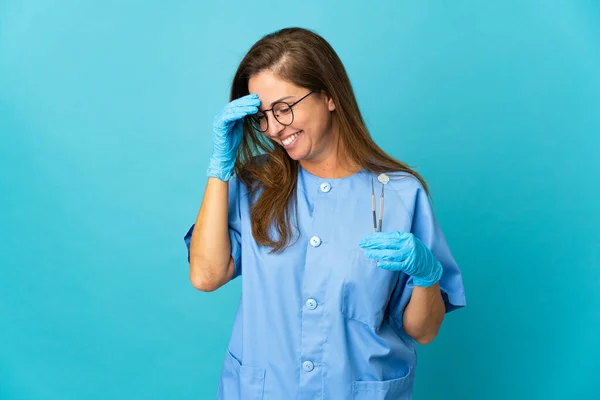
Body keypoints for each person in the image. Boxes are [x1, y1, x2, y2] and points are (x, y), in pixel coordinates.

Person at [184, 27, 466, 400]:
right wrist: (219, 168)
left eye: (284, 107)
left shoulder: (399, 194)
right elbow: (206, 275)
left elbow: (424, 331)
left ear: (329, 96)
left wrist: (427, 275)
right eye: (263, 116)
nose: (274, 127)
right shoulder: (255, 183)